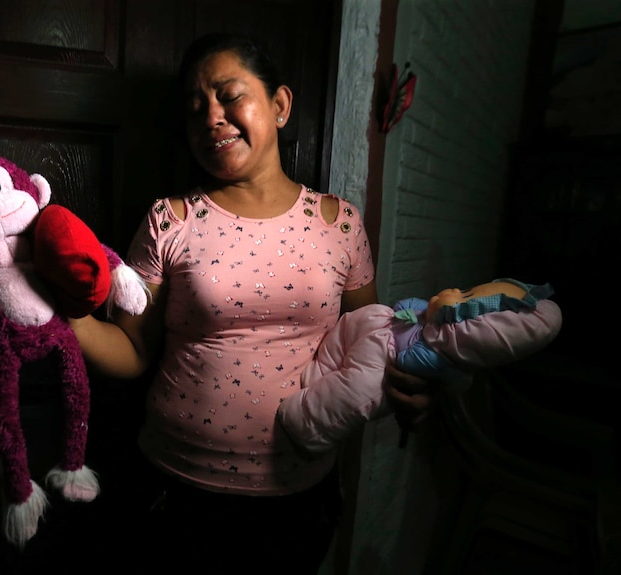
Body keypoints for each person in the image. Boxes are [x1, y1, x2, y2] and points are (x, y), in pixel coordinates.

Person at [68, 32, 435, 575]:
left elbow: (368, 343)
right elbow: (131, 349)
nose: (211, 117)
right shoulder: (169, 220)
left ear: (280, 105)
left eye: (228, 95)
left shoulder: (339, 224)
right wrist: (60, 314)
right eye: (196, 110)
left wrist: (407, 382)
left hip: (298, 496)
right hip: (174, 489)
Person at [278, 278, 562, 455]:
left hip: (378, 362)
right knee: (356, 332)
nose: (453, 289)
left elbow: (412, 361)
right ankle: (318, 373)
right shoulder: (424, 317)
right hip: (369, 335)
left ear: (464, 328)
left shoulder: (441, 346)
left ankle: (305, 421)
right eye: (466, 290)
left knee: (359, 391)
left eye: (463, 298)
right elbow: (407, 307)